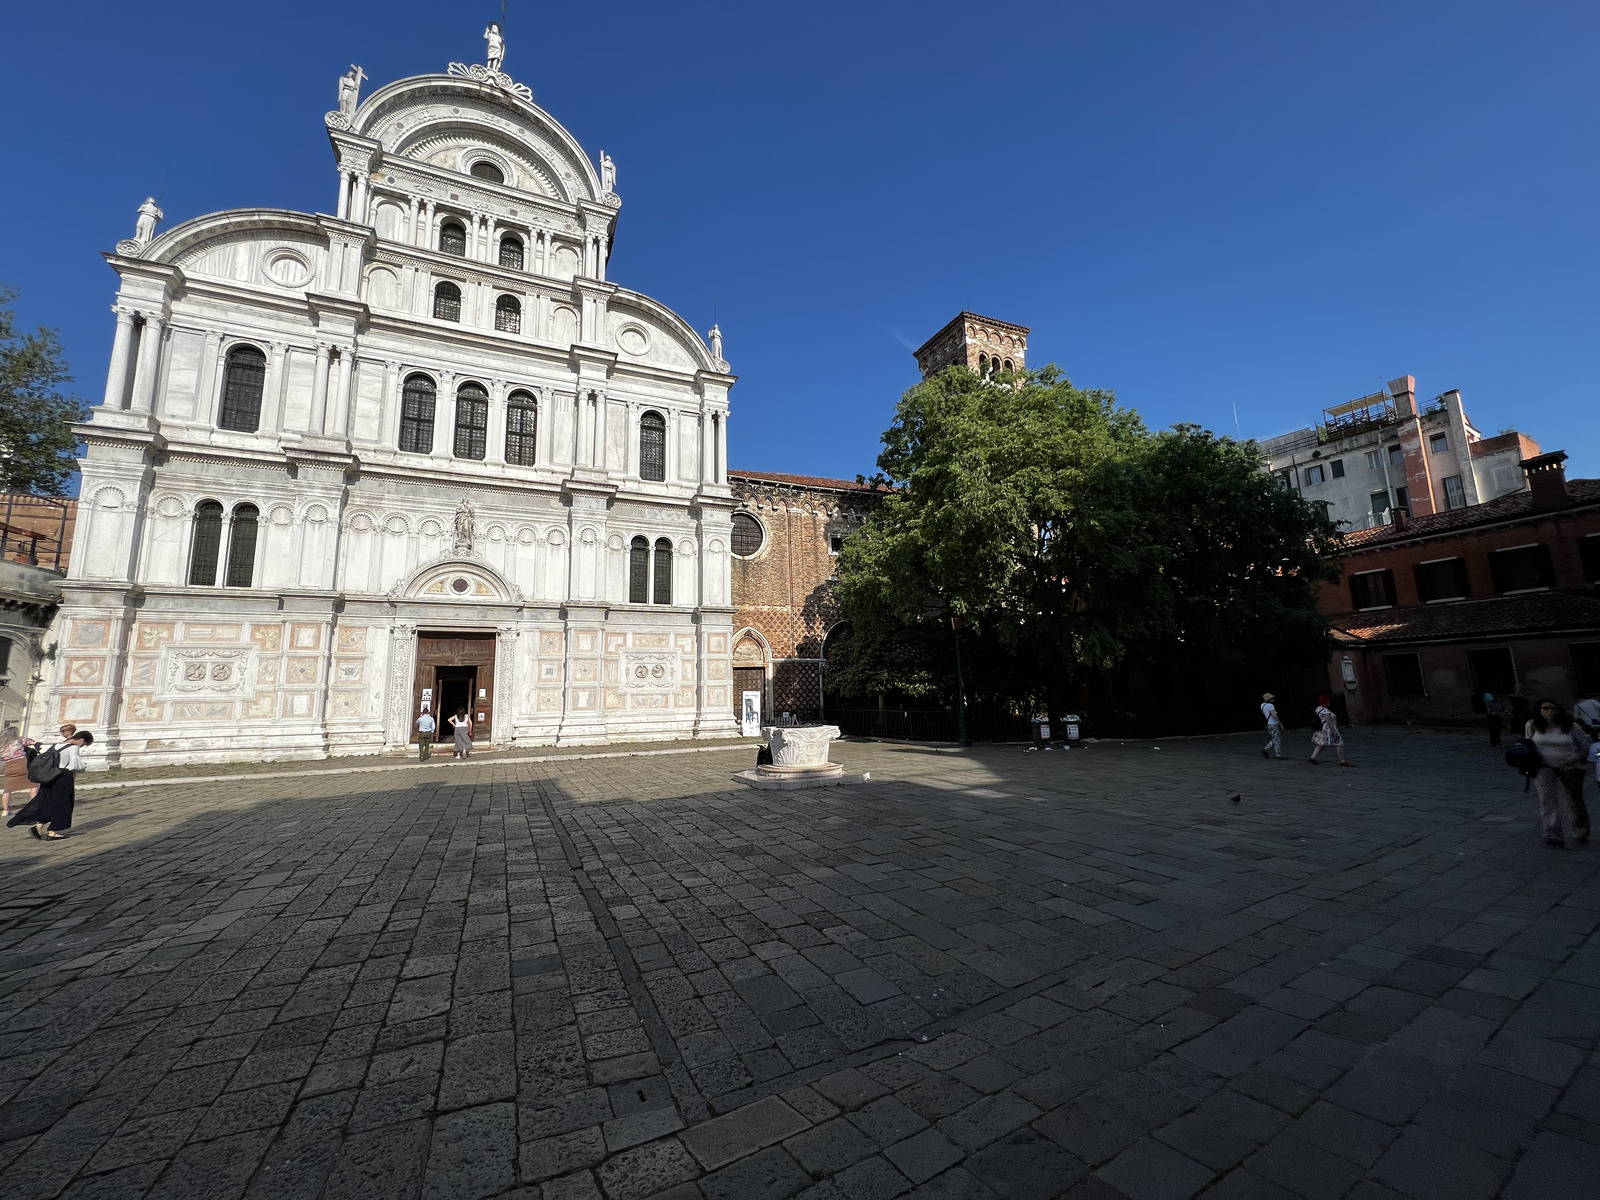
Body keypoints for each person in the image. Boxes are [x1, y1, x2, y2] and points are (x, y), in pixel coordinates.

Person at [1525, 699, 1592, 849]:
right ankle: (1552, 834)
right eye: (1546, 708)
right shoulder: (1532, 725)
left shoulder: (1571, 725)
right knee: (1547, 800)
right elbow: (1528, 744)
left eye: (1553, 708)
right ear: (1539, 710)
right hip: (1543, 767)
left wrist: (1571, 760)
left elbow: (1585, 747)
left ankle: (1580, 831)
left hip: (1570, 767)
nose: (1550, 711)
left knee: (1574, 800)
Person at [7, 728, 92, 840]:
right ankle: (54, 831)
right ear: (81, 740)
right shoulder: (74, 747)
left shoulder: (57, 745)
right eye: (84, 744)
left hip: (50, 776)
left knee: (47, 802)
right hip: (63, 777)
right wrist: (84, 766)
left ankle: (37, 827)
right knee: (64, 804)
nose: (82, 746)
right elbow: (74, 765)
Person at [1308, 695, 1353, 767]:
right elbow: (1329, 721)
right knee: (1339, 743)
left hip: (1323, 728)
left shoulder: (1318, 709)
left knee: (1321, 743)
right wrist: (1334, 731)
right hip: (1328, 729)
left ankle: (1313, 757)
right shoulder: (1325, 711)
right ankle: (1342, 761)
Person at [1, 724, 35, 818]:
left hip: (9, 765)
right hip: (22, 764)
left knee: (7, 789)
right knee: (33, 784)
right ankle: (34, 806)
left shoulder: (1, 744)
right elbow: (33, 742)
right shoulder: (19, 740)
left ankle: (5, 810)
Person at [1260, 693, 1282, 760]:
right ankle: (1276, 753)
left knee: (1275, 738)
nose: (1273, 699)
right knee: (1276, 739)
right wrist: (1280, 723)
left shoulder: (1262, 705)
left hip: (1269, 723)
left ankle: (1272, 752)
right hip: (1273, 723)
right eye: (1272, 698)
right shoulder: (1270, 705)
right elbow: (1274, 715)